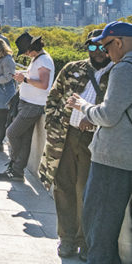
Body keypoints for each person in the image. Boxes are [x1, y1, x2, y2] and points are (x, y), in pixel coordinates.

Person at [39, 29, 112, 260]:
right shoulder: (72, 68)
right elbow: (53, 96)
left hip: (95, 142)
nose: (98, 51)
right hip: (65, 137)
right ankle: (67, 239)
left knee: (86, 192)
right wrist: (52, 122)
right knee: (64, 188)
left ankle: (84, 241)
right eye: (92, 46)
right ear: (87, 47)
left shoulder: (117, 74)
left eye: (102, 46)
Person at [67, 21, 132, 264]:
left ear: (119, 42)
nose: (105, 54)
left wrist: (83, 106)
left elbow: (107, 115)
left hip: (113, 159)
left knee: (99, 227)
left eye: (106, 46)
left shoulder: (124, 68)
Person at [0, 33, 55, 182]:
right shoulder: (38, 59)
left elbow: (44, 84)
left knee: (12, 133)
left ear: (32, 48)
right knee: (25, 139)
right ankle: (17, 171)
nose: (26, 55)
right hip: (27, 102)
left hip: (33, 105)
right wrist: (23, 75)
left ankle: (15, 163)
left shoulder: (44, 61)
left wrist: (25, 79)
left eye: (26, 52)